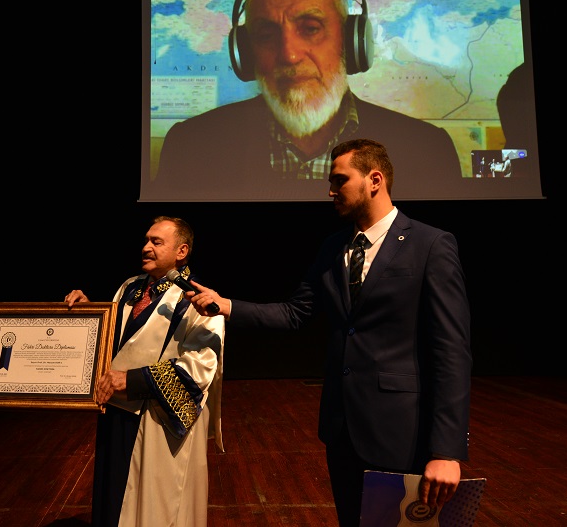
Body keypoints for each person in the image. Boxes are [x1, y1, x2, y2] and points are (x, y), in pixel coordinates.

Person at [185, 139, 472, 527]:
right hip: (342, 432)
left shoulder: (430, 244)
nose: (331, 191)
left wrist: (447, 451)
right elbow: (295, 313)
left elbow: (452, 353)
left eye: (340, 180)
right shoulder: (333, 247)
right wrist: (226, 305)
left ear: (375, 180)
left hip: (403, 432)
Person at [150, 0, 462, 201]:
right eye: (266, 35)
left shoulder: (427, 150)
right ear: (246, 53)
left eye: (311, 29)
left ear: (351, 43)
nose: (289, 54)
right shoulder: (190, 146)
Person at [64, 216, 224, 527]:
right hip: (117, 411)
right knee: (114, 498)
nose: (146, 247)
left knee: (155, 507)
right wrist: (87, 314)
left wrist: (134, 379)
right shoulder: (130, 288)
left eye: (156, 242)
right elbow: (116, 339)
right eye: (146, 240)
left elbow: (201, 367)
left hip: (157, 419)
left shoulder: (200, 300)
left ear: (181, 251)